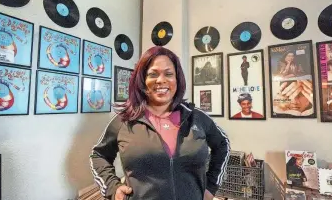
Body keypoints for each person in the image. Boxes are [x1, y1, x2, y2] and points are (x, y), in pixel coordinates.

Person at [90, 46, 230, 200]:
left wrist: (211, 187)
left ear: (177, 79)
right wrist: (112, 187)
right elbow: (98, 155)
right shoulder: (124, 120)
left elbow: (223, 144)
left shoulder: (197, 117)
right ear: (142, 81)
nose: (161, 80)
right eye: (153, 74)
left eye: (169, 74)